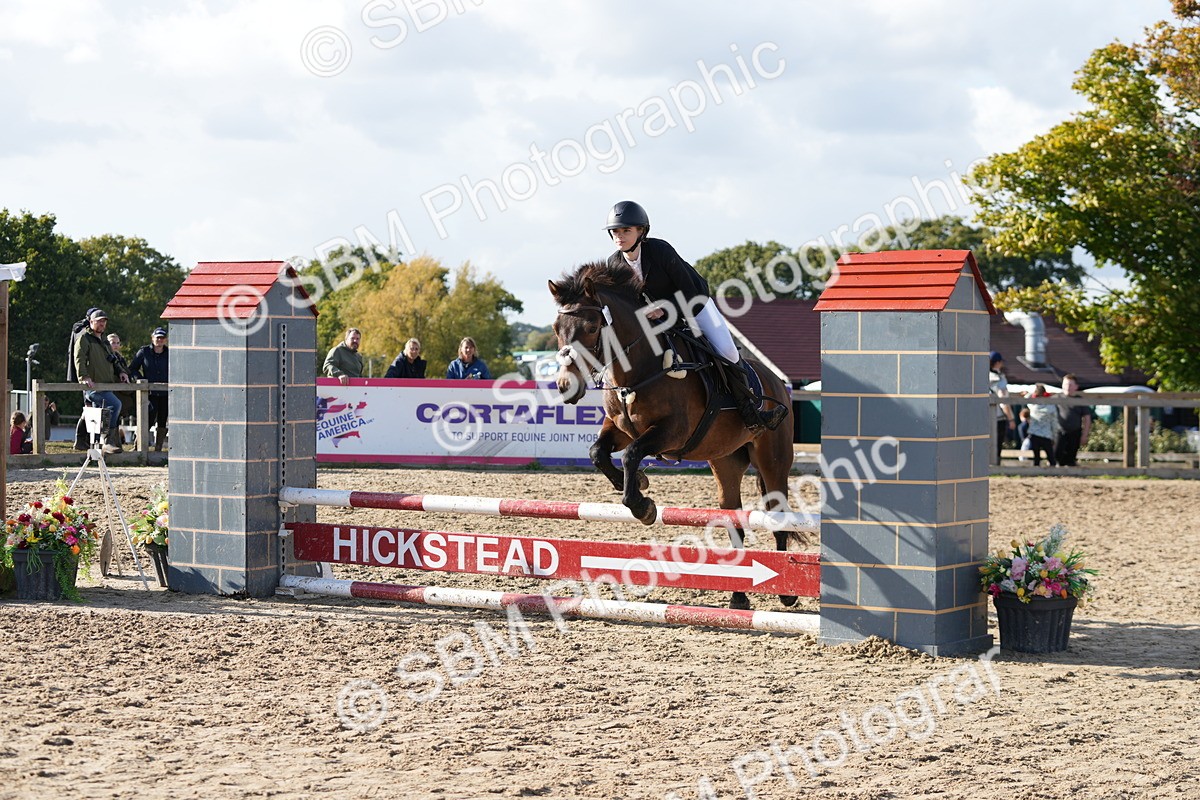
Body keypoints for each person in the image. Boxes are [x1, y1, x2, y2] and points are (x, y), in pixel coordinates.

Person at [603, 200, 787, 433]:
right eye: (615, 231)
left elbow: (690, 290)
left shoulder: (659, 250)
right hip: (658, 317)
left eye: (626, 230)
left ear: (641, 231)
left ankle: (750, 412)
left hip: (696, 305)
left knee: (728, 352)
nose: (619, 236)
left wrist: (666, 309)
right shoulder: (614, 263)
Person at [73, 308, 128, 454]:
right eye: (99, 321)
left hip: (106, 385)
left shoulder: (104, 341)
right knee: (115, 404)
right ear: (91, 322)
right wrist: (83, 377)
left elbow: (113, 359)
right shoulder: (84, 338)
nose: (102, 324)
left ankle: (90, 446)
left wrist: (121, 372)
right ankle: (108, 441)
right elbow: (79, 359)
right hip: (93, 386)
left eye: (104, 321)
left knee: (97, 416)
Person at [130, 327, 170, 451]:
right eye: (157, 337)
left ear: (166, 340)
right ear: (152, 338)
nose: (160, 340)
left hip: (165, 392)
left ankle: (158, 448)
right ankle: (138, 446)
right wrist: (141, 380)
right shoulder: (144, 351)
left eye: (162, 338)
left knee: (163, 419)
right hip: (149, 392)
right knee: (147, 418)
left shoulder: (170, 353)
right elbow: (132, 368)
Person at [1055, 374, 1093, 467]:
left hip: (1074, 432)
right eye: (1065, 384)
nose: (1067, 387)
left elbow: (1087, 418)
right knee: (1057, 456)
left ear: (1076, 386)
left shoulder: (1080, 400)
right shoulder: (1055, 398)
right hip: (1059, 432)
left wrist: (1085, 435)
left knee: (1071, 458)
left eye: (1070, 385)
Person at [107, 332, 137, 437]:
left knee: (118, 416)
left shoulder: (120, 358)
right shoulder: (106, 357)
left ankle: (117, 439)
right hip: (112, 390)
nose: (115, 345)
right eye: (112, 343)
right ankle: (112, 439)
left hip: (123, 391)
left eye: (117, 343)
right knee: (111, 416)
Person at [988, 351, 1016, 460]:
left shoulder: (981, 376)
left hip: (984, 416)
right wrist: (1011, 419)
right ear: (998, 363)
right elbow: (1003, 401)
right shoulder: (999, 379)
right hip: (998, 417)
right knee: (997, 445)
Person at [1026, 383, 1060, 467]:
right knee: (1051, 457)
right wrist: (1054, 436)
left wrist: (1031, 392)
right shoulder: (1050, 406)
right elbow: (1054, 423)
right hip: (1046, 435)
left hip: (1034, 434)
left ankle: (1036, 471)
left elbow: (1026, 398)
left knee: (1036, 458)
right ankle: (1053, 471)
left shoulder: (1033, 405)